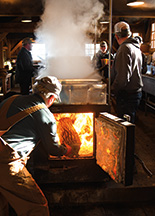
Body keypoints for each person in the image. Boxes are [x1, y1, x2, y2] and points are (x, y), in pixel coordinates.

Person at [0, 76, 72, 216]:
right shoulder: (45, 116)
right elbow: (53, 149)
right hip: (6, 162)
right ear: (51, 97)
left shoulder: (12, 99)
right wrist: (67, 149)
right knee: (36, 207)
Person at [111, 21, 143, 123]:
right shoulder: (136, 48)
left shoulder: (124, 49)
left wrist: (112, 90)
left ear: (116, 36)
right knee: (129, 124)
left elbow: (122, 78)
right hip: (135, 93)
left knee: (125, 126)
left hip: (127, 95)